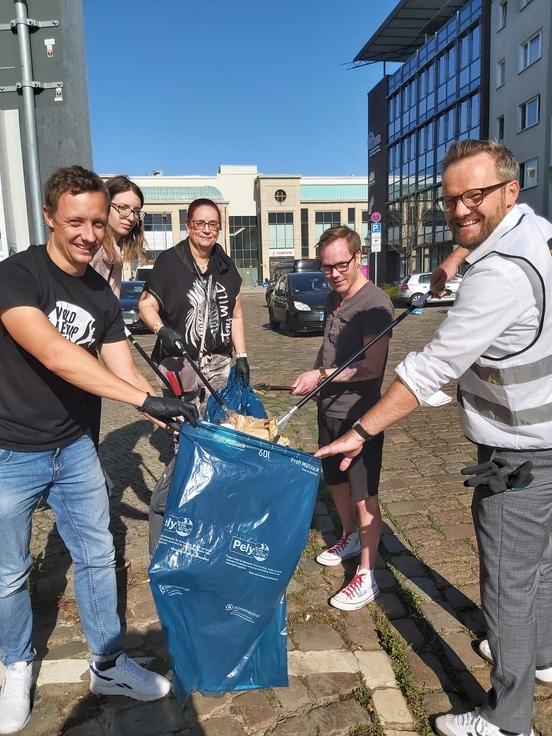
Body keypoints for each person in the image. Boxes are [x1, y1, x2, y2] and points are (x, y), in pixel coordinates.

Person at [316, 140, 552, 736]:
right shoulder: (535, 236)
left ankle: (506, 718)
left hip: (520, 449)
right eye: (452, 201)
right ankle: (542, 659)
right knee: (542, 568)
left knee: (507, 581)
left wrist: (361, 431)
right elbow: (480, 246)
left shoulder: (499, 277)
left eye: (475, 196)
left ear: (509, 190)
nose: (461, 210)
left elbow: (427, 371)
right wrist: (450, 264)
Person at [0, 166, 198, 735]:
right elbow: (56, 355)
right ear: (49, 218)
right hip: (11, 451)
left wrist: (164, 405)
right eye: (75, 222)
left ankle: (108, 663)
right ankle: (16, 664)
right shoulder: (16, 277)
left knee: (97, 555)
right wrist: (141, 397)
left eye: (95, 221)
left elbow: (119, 365)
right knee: (10, 572)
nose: (88, 234)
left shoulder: (99, 294)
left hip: (75, 449)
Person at [291, 226, 393, 611]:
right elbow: (328, 351)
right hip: (327, 409)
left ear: (358, 256)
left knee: (365, 496)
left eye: (341, 265)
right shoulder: (335, 299)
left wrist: (320, 376)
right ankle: (349, 535)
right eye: (326, 267)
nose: (334, 274)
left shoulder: (375, 304)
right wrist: (316, 376)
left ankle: (367, 575)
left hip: (360, 416)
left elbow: (370, 367)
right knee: (334, 483)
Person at [138, 198, 249, 413]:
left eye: (213, 224)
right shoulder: (169, 262)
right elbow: (146, 305)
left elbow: (236, 315)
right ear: (188, 225)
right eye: (200, 223)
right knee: (185, 426)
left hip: (218, 361)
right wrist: (161, 330)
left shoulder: (225, 265)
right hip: (180, 362)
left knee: (218, 424)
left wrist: (242, 356)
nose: (207, 230)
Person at [90, 174, 148, 297]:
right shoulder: (92, 244)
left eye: (136, 211)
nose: (131, 217)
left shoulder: (118, 250)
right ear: (104, 205)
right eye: (122, 207)